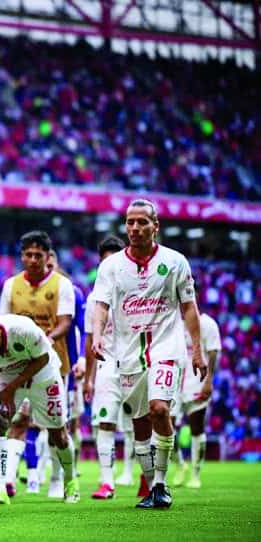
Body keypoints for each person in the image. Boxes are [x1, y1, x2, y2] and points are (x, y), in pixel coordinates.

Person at [91, 199, 206, 509]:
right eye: (130, 222)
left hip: (167, 348)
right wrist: (99, 334)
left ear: (156, 226)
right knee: (140, 425)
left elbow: (189, 307)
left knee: (158, 409)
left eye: (142, 222)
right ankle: (152, 485)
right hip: (128, 353)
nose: (135, 228)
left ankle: (161, 484)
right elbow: (100, 304)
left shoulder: (176, 261)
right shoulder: (111, 266)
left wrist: (198, 351)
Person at [0, 314, 80, 505]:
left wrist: (12, 388)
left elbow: (43, 358)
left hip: (44, 376)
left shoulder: (22, 329)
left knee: (59, 434)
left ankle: (70, 480)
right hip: (7, 377)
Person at [0, 231, 75, 498]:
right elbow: (2, 323)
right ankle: (7, 481)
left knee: (56, 428)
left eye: (38, 255)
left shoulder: (61, 285)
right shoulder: (11, 285)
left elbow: (65, 322)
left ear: (47, 256)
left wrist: (45, 339)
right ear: (21, 256)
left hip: (52, 364)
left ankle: (57, 479)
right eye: (28, 254)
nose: (32, 259)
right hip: (18, 364)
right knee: (18, 420)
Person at [82, 235, 128, 499]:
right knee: (104, 421)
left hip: (137, 362)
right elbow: (90, 340)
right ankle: (107, 481)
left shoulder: (138, 294)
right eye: (104, 262)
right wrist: (89, 378)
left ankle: (150, 479)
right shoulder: (94, 301)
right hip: (107, 365)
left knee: (141, 422)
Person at [47, 249, 86, 484]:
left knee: (66, 420)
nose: (47, 269)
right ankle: (44, 471)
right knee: (34, 421)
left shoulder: (72, 291)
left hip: (66, 366)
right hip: (37, 364)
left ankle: (64, 469)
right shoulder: (28, 290)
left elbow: (80, 327)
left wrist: (80, 358)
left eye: (51, 264)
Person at [170, 312, 221, 489]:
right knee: (165, 427)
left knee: (196, 428)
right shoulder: (173, 322)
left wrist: (209, 381)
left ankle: (195, 474)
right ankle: (179, 465)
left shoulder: (207, 324)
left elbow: (213, 353)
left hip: (196, 382)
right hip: (174, 383)